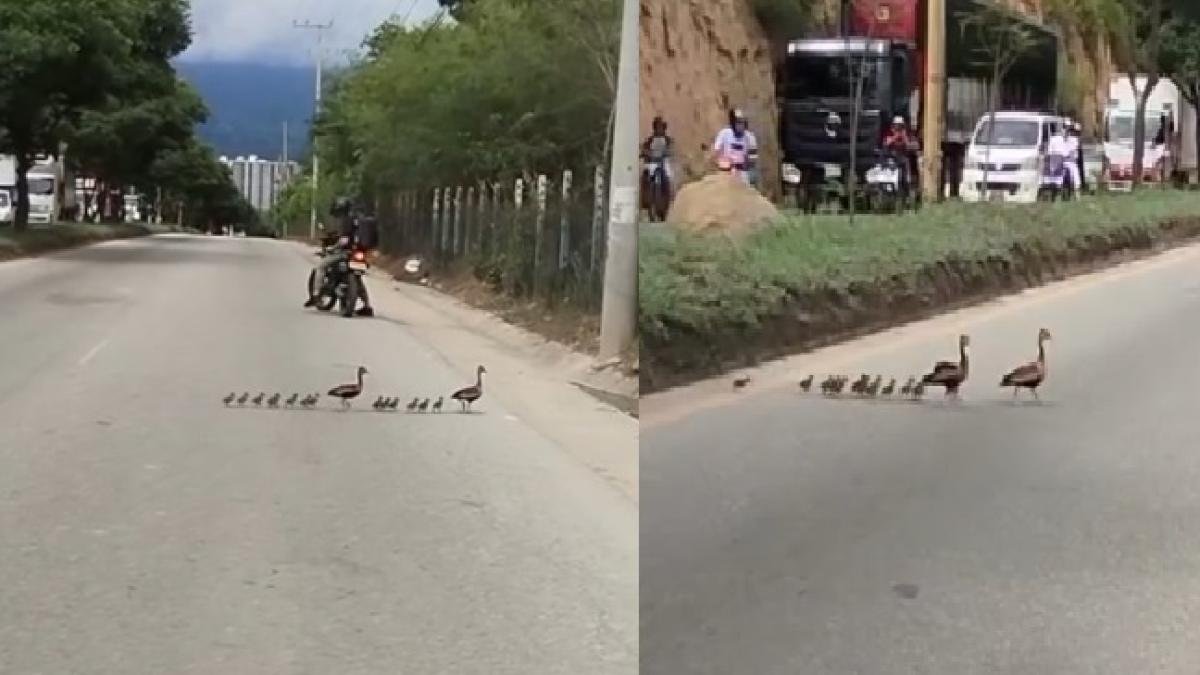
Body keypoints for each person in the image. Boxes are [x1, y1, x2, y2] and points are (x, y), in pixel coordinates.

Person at [304, 197, 375, 316]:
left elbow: (344, 241)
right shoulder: (358, 219)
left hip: (346, 253)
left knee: (321, 266)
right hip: (360, 253)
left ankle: (316, 295)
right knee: (357, 278)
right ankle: (367, 306)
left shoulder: (346, 221)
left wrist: (333, 248)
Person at [712, 108, 759, 187]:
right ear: (732, 122)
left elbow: (752, 160)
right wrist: (723, 162)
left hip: (743, 171)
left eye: (742, 121)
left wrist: (745, 167)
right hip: (726, 170)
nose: (741, 124)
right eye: (738, 121)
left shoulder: (750, 137)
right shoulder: (724, 134)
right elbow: (716, 151)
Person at [641, 116, 675, 213]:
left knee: (669, 178)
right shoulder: (650, 140)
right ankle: (645, 199)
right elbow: (644, 148)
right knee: (645, 176)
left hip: (663, 161)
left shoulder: (667, 140)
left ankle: (669, 198)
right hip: (652, 162)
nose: (659, 129)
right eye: (657, 127)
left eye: (661, 127)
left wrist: (669, 152)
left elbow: (671, 149)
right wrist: (644, 153)